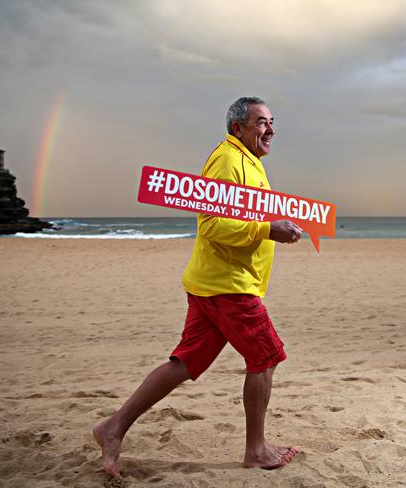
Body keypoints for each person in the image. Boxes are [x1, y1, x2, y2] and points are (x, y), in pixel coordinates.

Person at [93, 97, 302, 479]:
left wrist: (274, 221)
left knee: (185, 362)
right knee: (266, 357)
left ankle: (113, 427)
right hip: (228, 286)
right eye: (260, 122)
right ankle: (256, 450)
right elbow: (213, 226)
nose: (269, 129)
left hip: (216, 283)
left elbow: (239, 216)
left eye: (272, 122)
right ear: (238, 128)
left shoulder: (249, 161)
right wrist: (270, 228)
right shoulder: (227, 159)